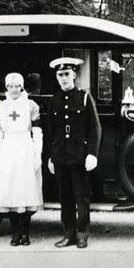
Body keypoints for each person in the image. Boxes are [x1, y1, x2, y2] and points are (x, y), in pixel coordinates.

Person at [46, 57, 102, 249]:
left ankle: (82, 235)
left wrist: (92, 154)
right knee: (65, 199)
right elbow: (50, 131)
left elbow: (95, 128)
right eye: (60, 75)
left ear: (74, 75)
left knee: (81, 198)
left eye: (67, 74)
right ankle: (68, 234)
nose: (64, 79)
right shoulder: (54, 101)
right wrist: (50, 158)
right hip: (60, 156)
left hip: (79, 156)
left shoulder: (84, 98)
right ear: (56, 77)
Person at [0, 73, 43, 246]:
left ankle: (25, 233)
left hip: (25, 149)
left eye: (17, 86)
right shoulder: (1, 107)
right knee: (11, 193)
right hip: (8, 149)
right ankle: (15, 233)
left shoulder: (31, 106)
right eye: (10, 86)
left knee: (26, 192)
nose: (14, 90)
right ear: (6, 88)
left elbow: (37, 132)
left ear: (22, 87)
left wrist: (37, 154)